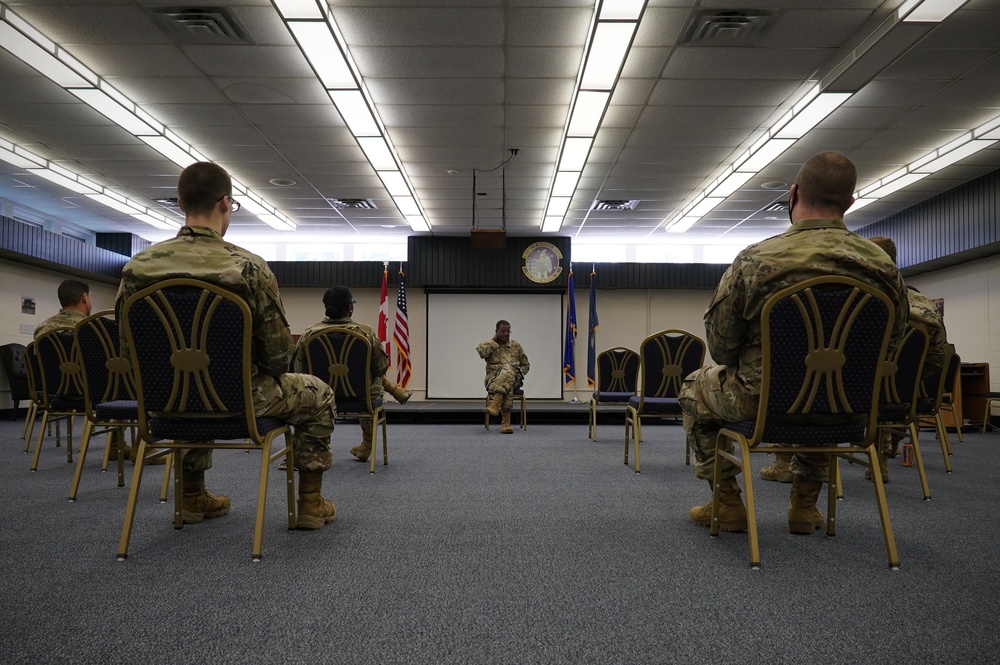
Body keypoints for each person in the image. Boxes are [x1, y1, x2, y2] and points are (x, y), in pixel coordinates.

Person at [679, 150, 908, 536]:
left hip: (762, 399)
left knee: (691, 386)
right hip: (849, 404)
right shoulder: (883, 267)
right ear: (851, 201)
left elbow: (720, 347)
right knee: (824, 396)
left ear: (793, 194)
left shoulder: (755, 261)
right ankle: (804, 507)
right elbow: (891, 345)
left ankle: (728, 502)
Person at [115, 161, 338, 530]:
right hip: (242, 399)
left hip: (164, 400)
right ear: (225, 203)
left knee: (189, 390)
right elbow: (280, 356)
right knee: (321, 393)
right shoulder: (248, 267)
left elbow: (128, 354)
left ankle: (190, 497)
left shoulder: (137, 268)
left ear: (180, 202)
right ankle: (310, 505)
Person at [292, 286, 411, 463]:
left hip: (320, 399)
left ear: (326, 307)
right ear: (350, 308)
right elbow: (380, 368)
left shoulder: (308, 334)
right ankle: (367, 445)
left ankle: (309, 447)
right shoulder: (366, 333)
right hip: (361, 398)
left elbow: (298, 371)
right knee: (370, 376)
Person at [476, 320, 529, 434]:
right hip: (492, 380)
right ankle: (506, 422)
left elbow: (526, 365)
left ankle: (495, 404)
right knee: (507, 373)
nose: (505, 334)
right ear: (496, 332)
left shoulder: (516, 346)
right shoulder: (489, 345)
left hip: (514, 379)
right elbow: (482, 353)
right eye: (502, 331)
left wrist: (519, 372)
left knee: (509, 372)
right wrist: (494, 341)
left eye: (508, 331)